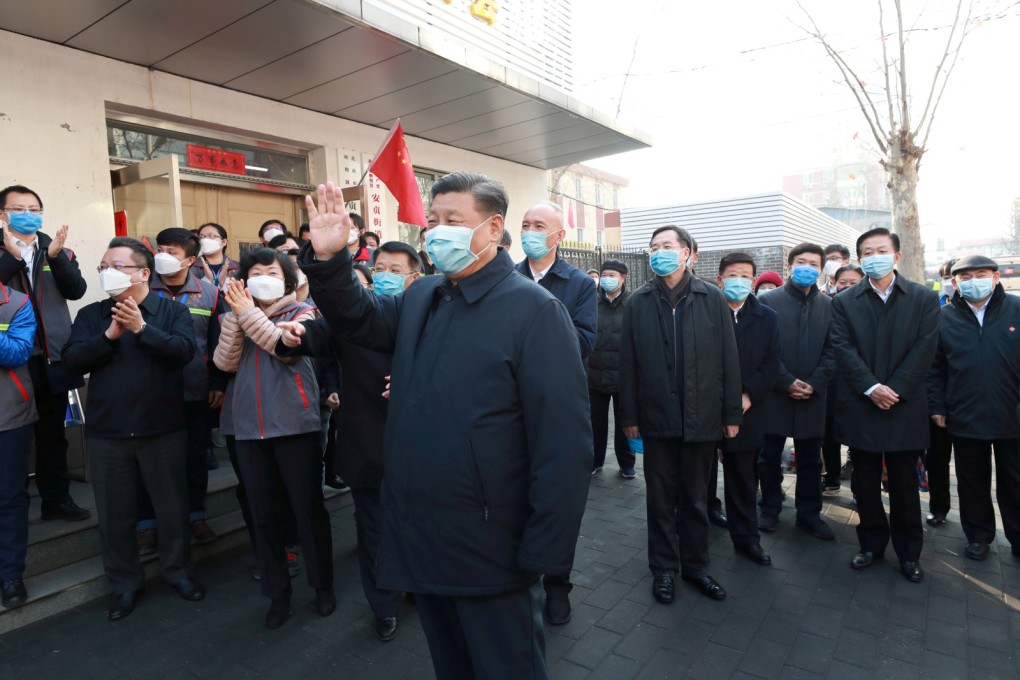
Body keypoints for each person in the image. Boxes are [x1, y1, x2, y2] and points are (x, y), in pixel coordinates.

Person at [285, 174, 591, 680]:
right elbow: (358, 318)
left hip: (493, 545)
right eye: (433, 220)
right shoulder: (423, 295)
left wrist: (545, 551)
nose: (438, 231)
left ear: (492, 228)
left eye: (454, 220)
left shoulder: (536, 311)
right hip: (423, 533)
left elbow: (564, 445)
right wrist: (332, 259)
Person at [62, 237, 204, 620]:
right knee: (114, 514)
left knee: (172, 509)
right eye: (103, 266)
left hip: (163, 428)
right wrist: (110, 336)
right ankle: (125, 584)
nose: (106, 272)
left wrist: (142, 329)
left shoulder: (171, 311)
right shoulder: (92, 315)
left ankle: (178, 572)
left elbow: (184, 352)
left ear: (143, 273)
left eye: (116, 266)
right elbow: (72, 361)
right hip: (108, 432)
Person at [619, 224, 741, 605]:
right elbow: (628, 364)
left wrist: (731, 413)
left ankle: (696, 567)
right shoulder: (638, 302)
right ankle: (663, 569)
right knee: (659, 499)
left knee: (696, 498)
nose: (659, 252)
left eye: (667, 246)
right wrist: (629, 415)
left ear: (687, 253)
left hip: (702, 418)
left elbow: (729, 360)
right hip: (656, 417)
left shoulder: (712, 298)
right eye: (654, 247)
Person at [213, 248, 334, 629]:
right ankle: (277, 593)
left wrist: (247, 314)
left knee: (307, 509)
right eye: (255, 272)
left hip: (296, 425)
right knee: (262, 513)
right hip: (248, 428)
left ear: (287, 281)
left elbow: (285, 351)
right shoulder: (235, 314)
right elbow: (224, 363)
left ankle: (322, 586)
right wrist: (237, 317)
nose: (263, 278)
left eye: (272, 272)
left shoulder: (303, 313)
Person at [830, 227, 939, 583]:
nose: (874, 257)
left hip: (904, 406)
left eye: (881, 250)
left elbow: (925, 349)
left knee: (904, 484)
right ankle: (871, 544)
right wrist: (871, 387)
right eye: (867, 252)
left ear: (896, 256)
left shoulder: (922, 298)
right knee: (864, 483)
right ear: (859, 259)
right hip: (861, 404)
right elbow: (842, 347)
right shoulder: (845, 301)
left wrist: (895, 389)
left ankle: (909, 553)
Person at [515, 201, 597, 626]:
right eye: (525, 224)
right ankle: (520, 577)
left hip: (560, 406)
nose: (530, 232)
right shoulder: (508, 276)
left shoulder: (579, 283)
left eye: (539, 225)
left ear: (559, 236)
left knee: (558, 500)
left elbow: (584, 341)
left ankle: (558, 585)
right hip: (513, 404)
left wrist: (536, 323)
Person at [0, 185, 91, 522]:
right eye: (18, 208)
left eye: (34, 209)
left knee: (53, 436)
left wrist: (56, 257)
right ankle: (13, 508)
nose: (28, 214)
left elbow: (76, 290)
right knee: (14, 438)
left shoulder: (57, 250)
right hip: (11, 360)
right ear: (2, 214)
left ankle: (56, 500)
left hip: (52, 357)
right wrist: (12, 259)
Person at [135, 228, 227, 557]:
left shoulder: (210, 294)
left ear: (189, 260)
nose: (162, 256)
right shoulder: (142, 288)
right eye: (159, 249)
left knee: (194, 458)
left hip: (194, 390)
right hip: (147, 392)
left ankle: (196, 516)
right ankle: (147, 524)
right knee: (147, 460)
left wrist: (218, 382)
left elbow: (220, 342)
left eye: (171, 252)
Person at [927, 255, 1020, 560]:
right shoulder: (942, 317)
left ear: (995, 277)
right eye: (965, 277)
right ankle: (978, 536)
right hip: (964, 413)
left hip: (1012, 413)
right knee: (971, 480)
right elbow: (935, 368)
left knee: (1015, 480)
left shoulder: (1016, 309)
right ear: (954, 283)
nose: (973, 281)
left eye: (980, 274)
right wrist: (937, 406)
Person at [757, 243, 836, 540]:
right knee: (768, 456)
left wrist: (815, 383)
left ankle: (809, 514)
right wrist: (785, 380)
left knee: (811, 459)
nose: (807, 268)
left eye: (814, 264)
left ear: (821, 270)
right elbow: (761, 348)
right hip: (775, 393)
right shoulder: (768, 300)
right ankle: (770, 508)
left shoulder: (829, 305)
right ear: (789, 266)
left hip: (813, 395)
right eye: (801, 262)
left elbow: (834, 349)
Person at [712, 252, 780, 565]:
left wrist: (748, 393)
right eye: (732, 275)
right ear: (720, 280)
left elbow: (772, 363)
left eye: (745, 276)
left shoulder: (767, 317)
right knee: (699, 474)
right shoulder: (706, 312)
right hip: (706, 406)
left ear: (753, 281)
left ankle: (747, 539)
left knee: (742, 478)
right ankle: (701, 525)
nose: (738, 281)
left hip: (747, 410)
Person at [0, 280, 37, 608]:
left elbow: (16, 353)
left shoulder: (17, 302)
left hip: (9, 416)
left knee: (10, 496)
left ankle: (10, 575)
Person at [588, 259, 636, 479]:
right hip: (595, 374)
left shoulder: (633, 303)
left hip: (623, 377)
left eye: (612, 275)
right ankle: (595, 460)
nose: (607, 279)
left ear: (623, 278)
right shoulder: (591, 302)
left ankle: (626, 463)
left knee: (625, 422)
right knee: (595, 422)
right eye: (604, 275)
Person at [821, 264, 866, 495]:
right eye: (842, 282)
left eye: (853, 283)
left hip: (859, 384)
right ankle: (832, 479)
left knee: (858, 440)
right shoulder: (828, 306)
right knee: (828, 436)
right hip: (831, 383)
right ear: (834, 283)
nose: (847, 287)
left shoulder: (869, 309)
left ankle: (860, 489)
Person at [925, 259, 957, 526]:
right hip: (940, 400)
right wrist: (936, 405)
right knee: (937, 459)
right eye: (946, 277)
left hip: (977, 402)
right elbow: (932, 364)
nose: (949, 281)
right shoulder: (936, 307)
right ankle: (939, 507)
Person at [194, 222, 239, 289]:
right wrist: (211, 281)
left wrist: (223, 284)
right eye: (201, 237)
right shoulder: (191, 268)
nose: (205, 240)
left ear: (223, 242)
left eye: (211, 236)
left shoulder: (238, 268)